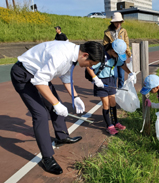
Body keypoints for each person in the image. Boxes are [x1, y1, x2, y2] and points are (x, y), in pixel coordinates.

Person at [10, 40, 104, 175]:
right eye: (91, 64)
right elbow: (39, 81)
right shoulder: (61, 56)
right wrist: (56, 104)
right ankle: (47, 158)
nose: (88, 67)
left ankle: (62, 136)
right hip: (23, 74)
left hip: (38, 74)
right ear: (85, 55)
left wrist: (76, 97)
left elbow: (66, 79)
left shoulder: (73, 56)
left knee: (56, 103)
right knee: (41, 114)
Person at [86, 39, 136, 135]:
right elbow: (89, 67)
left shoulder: (115, 58)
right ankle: (109, 126)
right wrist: (95, 79)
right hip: (100, 82)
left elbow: (122, 65)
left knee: (113, 102)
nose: (119, 57)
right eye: (118, 55)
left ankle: (115, 122)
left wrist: (130, 73)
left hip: (110, 80)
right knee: (106, 104)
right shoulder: (101, 57)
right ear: (113, 51)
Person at [103, 12, 132, 89]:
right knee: (114, 75)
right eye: (116, 22)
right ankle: (113, 90)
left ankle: (121, 91)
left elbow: (126, 43)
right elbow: (105, 45)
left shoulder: (123, 31)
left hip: (121, 55)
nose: (118, 24)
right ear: (113, 22)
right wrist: (113, 46)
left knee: (121, 76)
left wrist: (129, 54)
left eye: (119, 22)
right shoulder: (107, 32)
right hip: (113, 56)